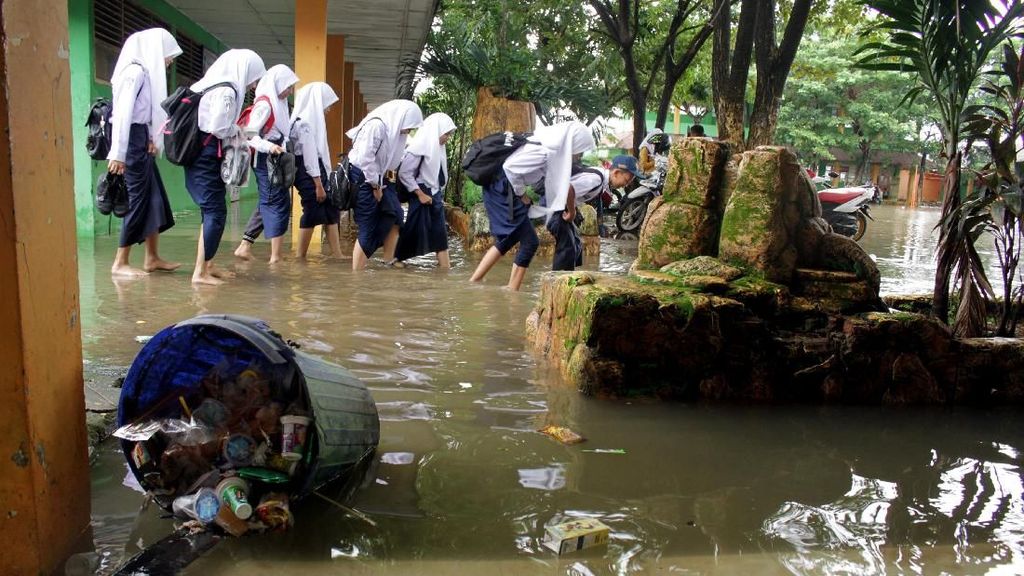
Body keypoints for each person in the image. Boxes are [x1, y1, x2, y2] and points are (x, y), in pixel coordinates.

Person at [469, 121, 595, 290]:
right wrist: (522, 195)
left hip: (502, 188)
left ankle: (474, 281)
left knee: (508, 238)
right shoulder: (543, 151)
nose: (578, 154)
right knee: (530, 242)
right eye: (579, 148)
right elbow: (510, 168)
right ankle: (512, 290)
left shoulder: (548, 146)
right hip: (504, 188)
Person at [185, 48, 266, 285]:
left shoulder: (211, 84)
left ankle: (207, 265)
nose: (253, 85)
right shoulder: (226, 90)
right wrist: (238, 130)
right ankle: (200, 273)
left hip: (201, 152)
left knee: (210, 211)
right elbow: (219, 127)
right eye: (254, 78)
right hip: (205, 155)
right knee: (215, 212)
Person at [106, 28, 183, 278]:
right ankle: (120, 262)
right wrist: (117, 153)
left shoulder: (145, 74)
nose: (170, 61)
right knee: (137, 199)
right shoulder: (134, 72)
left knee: (155, 198)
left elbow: (145, 112)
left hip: (140, 138)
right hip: (129, 141)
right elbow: (123, 115)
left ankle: (152, 258)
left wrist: (151, 137)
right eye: (168, 55)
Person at [232, 64, 299, 263]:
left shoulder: (280, 106)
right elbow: (249, 136)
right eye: (287, 86)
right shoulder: (265, 105)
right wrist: (269, 147)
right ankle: (275, 257)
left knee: (270, 200)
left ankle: (245, 245)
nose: (289, 91)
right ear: (277, 84)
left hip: (276, 156)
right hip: (265, 158)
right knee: (276, 202)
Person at [347, 99, 424, 270]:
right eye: (409, 126)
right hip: (364, 178)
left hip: (380, 178)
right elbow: (365, 160)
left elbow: (394, 159)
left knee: (396, 215)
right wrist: (376, 187)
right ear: (401, 119)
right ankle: (356, 277)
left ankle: (389, 260)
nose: (409, 131)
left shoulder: (396, 133)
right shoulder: (377, 127)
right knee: (368, 227)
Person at [548, 155, 641, 271]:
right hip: (554, 206)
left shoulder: (601, 179)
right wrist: (572, 212)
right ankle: (558, 281)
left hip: (560, 206)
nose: (626, 185)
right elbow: (568, 188)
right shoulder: (596, 180)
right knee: (567, 248)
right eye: (626, 181)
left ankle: (567, 278)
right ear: (616, 173)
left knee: (576, 245)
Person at [394, 112, 457, 268]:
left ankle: (444, 267)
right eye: (446, 134)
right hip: (421, 194)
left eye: (449, 135)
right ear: (436, 131)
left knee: (440, 231)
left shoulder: (438, 149)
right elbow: (404, 173)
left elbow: (438, 175)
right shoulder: (418, 148)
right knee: (413, 229)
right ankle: (397, 259)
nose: (447, 138)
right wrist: (420, 194)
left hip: (434, 195)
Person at [291, 82, 343, 260]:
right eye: (326, 104)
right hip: (309, 172)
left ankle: (337, 254)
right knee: (312, 209)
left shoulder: (310, 122)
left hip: (315, 170)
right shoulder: (304, 123)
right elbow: (310, 157)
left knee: (331, 209)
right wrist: (318, 184)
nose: (328, 109)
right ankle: (300, 256)